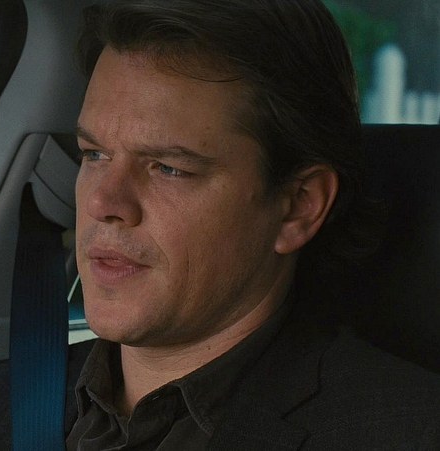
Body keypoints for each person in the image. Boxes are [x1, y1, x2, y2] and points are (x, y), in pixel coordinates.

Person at [66, 0, 440, 449]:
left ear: (298, 207)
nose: (102, 202)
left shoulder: (406, 434)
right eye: (94, 154)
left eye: (168, 168)